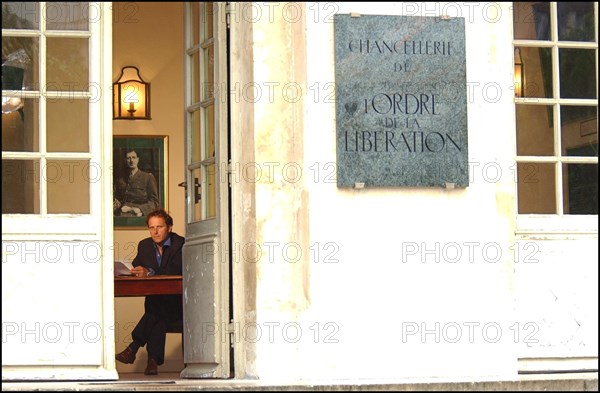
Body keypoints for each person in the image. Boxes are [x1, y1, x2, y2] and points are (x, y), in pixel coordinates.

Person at [115, 209, 185, 375]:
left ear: (169, 227)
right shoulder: (144, 245)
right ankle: (151, 361)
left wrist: (151, 272)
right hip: (158, 304)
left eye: (159, 227)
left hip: (178, 305)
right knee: (157, 312)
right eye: (151, 227)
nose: (155, 231)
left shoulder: (180, 243)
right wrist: (133, 271)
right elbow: (137, 264)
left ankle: (134, 348)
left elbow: (175, 270)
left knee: (156, 309)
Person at [114, 149, 159, 217]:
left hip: (138, 214)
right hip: (120, 213)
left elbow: (154, 202)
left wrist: (137, 209)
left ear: (138, 159)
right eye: (128, 158)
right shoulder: (121, 178)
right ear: (125, 160)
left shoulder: (147, 177)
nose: (131, 160)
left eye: (134, 157)